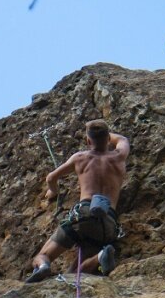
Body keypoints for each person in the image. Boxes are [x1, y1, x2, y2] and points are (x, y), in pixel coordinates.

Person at [26, 120, 130, 283]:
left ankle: (43, 266)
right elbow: (123, 140)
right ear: (108, 139)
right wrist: (104, 133)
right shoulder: (118, 157)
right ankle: (99, 257)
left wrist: (53, 191)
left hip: (83, 214)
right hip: (108, 221)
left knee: (43, 255)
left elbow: (51, 177)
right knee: (76, 274)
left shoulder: (80, 158)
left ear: (88, 141)